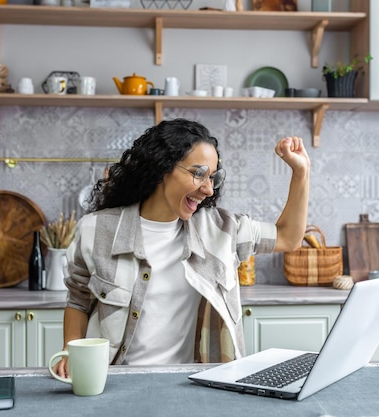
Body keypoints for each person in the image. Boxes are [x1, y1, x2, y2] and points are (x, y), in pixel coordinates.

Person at [52, 118, 309, 377]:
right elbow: (78, 299)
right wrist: (70, 350)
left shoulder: (222, 230)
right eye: (198, 174)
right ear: (162, 167)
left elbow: (289, 237)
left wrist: (301, 173)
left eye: (212, 177)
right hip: (114, 380)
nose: (208, 189)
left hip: (192, 382)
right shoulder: (96, 230)